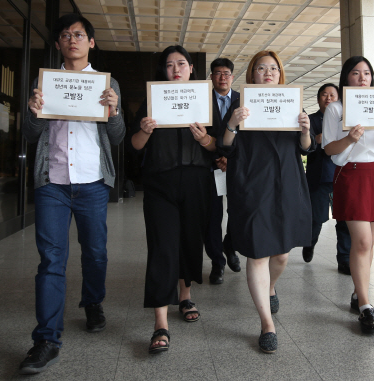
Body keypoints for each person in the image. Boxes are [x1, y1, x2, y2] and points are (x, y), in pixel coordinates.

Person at [19, 14, 125, 374]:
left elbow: (117, 136)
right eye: (65, 35)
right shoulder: (45, 82)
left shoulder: (107, 84)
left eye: (78, 34)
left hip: (93, 182)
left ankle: (93, 301)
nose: (72, 39)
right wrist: (33, 113)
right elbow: (32, 134)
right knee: (51, 259)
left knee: (95, 252)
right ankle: (46, 339)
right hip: (52, 183)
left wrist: (114, 110)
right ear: (59, 44)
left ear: (91, 42)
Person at [218, 51, 314, 354]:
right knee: (258, 253)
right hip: (252, 184)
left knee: (282, 255)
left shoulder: (291, 102)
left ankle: (271, 287)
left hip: (286, 183)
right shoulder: (239, 104)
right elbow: (225, 147)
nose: (268, 72)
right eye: (261, 68)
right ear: (252, 75)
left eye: (273, 68)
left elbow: (305, 149)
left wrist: (306, 130)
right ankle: (266, 323)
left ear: (280, 74)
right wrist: (233, 123)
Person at [131, 45, 218, 354]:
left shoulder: (205, 100)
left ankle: (184, 295)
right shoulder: (153, 101)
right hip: (160, 183)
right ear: (163, 71)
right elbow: (135, 144)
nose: (176, 69)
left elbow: (219, 145)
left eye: (181, 63)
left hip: (196, 181)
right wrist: (145, 131)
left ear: (192, 68)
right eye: (169, 65)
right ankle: (160, 322)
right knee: (162, 246)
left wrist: (204, 139)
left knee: (190, 241)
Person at [322, 56, 374, 333]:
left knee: (368, 245)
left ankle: (358, 293)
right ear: (346, 78)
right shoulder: (336, 108)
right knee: (363, 242)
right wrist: (350, 138)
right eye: (356, 73)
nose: (362, 78)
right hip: (351, 175)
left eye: (367, 73)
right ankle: (366, 306)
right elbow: (329, 149)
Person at [303, 83, 352, 274]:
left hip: (342, 175)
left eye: (332, 95)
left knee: (344, 220)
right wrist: (316, 139)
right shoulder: (312, 120)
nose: (328, 98)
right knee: (317, 218)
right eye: (324, 95)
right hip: (319, 177)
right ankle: (310, 243)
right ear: (318, 99)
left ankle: (344, 259)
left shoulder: (344, 118)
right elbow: (304, 147)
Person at [205, 58, 241, 285]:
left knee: (238, 213)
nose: (222, 77)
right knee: (212, 218)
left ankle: (231, 245)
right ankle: (217, 263)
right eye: (218, 73)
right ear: (212, 77)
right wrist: (218, 157)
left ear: (232, 76)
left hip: (237, 165)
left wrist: (231, 158)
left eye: (226, 73)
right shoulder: (201, 99)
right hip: (210, 166)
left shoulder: (244, 100)